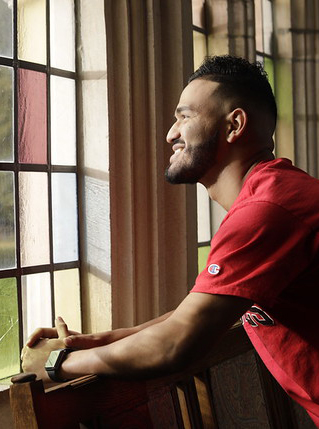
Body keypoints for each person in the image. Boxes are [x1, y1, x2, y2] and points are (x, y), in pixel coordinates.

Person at [22, 55, 319, 427]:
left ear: (235, 125)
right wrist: (92, 343)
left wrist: (55, 364)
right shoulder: (274, 194)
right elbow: (189, 315)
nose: (171, 134)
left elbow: (176, 342)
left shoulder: (267, 210)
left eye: (185, 117)